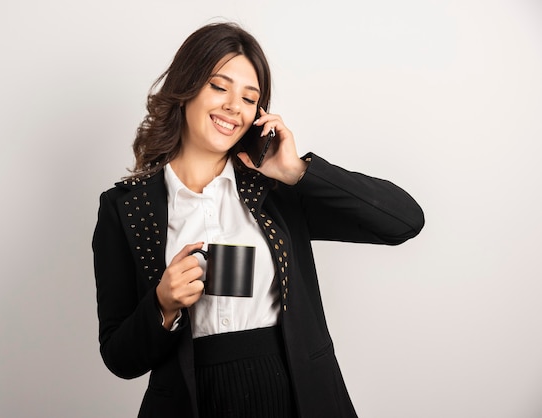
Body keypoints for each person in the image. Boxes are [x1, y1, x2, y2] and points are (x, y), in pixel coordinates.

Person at [92, 21, 424, 418]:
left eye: (250, 99)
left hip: (297, 397)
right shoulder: (125, 208)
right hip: (191, 404)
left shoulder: (276, 193)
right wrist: (162, 305)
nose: (234, 106)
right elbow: (119, 358)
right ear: (185, 89)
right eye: (219, 87)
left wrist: (297, 171)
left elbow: (404, 221)